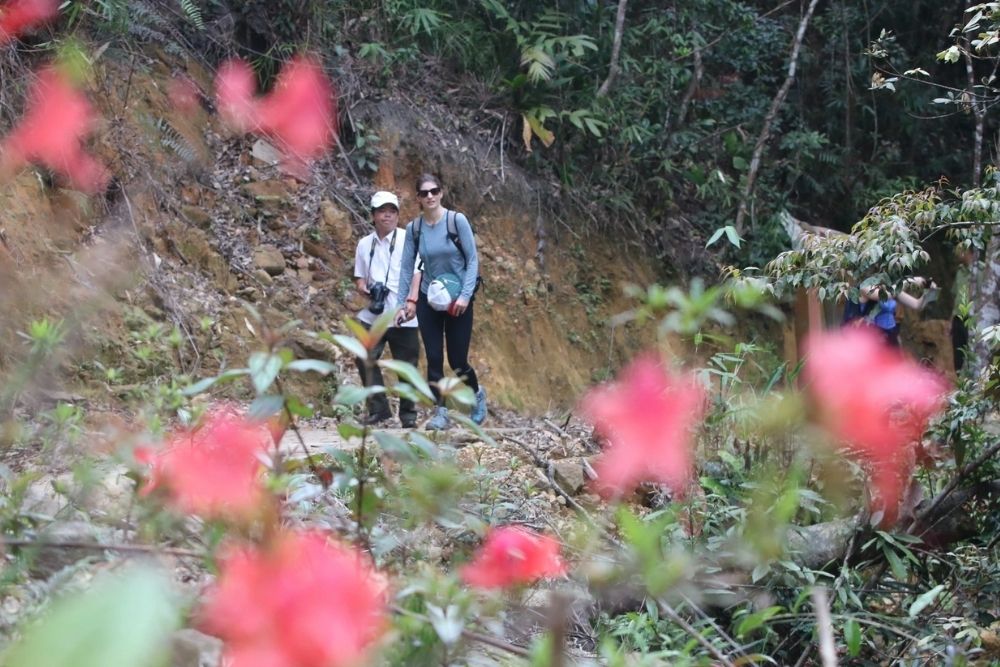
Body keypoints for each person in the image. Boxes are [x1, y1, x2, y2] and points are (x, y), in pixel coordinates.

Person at [395, 173, 487, 430]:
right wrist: (405, 302)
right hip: (428, 297)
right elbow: (406, 267)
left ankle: (477, 396)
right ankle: (441, 412)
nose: (430, 196)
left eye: (433, 191)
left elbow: (472, 260)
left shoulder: (456, 221)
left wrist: (466, 296)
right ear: (418, 198)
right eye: (424, 193)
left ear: (441, 192)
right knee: (434, 358)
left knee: (458, 361)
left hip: (458, 300)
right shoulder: (415, 228)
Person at [353, 191, 422, 427]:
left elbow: (418, 272)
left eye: (392, 211)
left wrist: (412, 301)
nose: (388, 215)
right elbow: (359, 277)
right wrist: (366, 289)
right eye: (382, 211)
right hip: (376, 313)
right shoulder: (364, 244)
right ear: (373, 215)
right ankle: (379, 409)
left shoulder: (408, 238)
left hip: (403, 312)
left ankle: (408, 415)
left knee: (407, 365)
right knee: (364, 357)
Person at [859, 277, 937, 347]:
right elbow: (885, 295)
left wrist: (929, 292)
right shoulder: (865, 287)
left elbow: (917, 305)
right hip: (870, 335)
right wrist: (911, 281)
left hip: (890, 335)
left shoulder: (892, 290)